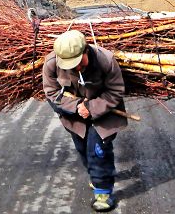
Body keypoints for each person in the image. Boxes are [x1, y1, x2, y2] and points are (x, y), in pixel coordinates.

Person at [42, 30, 127, 212]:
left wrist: (92, 107)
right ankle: (96, 176)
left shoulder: (106, 60)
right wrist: (76, 105)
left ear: (86, 51)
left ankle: (103, 191)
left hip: (104, 111)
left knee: (98, 151)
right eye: (71, 65)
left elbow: (116, 90)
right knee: (83, 150)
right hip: (74, 115)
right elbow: (52, 94)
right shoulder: (51, 63)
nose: (76, 68)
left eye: (79, 63)